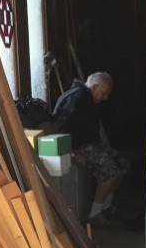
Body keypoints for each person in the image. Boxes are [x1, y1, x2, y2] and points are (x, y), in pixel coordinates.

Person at [51, 71, 130, 226]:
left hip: (91, 143)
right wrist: (71, 152)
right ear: (94, 87)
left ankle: (106, 207)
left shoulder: (87, 97)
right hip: (79, 146)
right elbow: (60, 128)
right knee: (110, 172)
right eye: (104, 93)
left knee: (123, 164)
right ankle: (94, 214)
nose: (105, 98)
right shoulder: (77, 98)